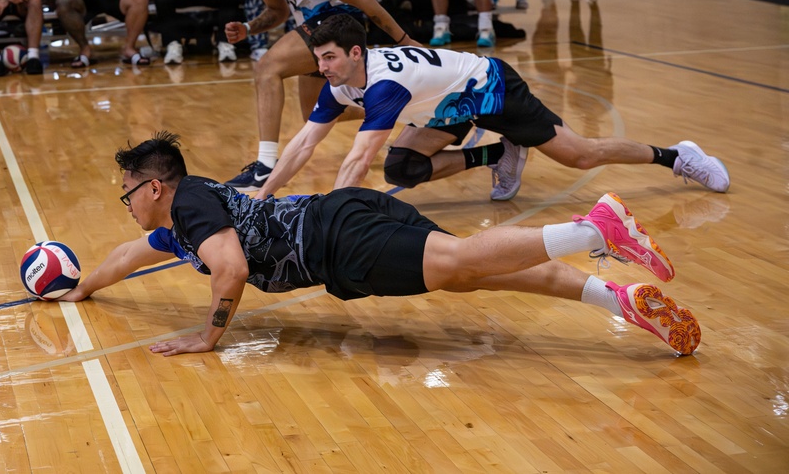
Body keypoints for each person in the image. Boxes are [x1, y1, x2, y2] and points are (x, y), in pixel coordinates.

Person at [56, 131, 703, 360]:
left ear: (155, 186)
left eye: (127, 191)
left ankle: (595, 230)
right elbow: (127, 256)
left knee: (462, 262)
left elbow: (230, 270)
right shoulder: (183, 219)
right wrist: (83, 287)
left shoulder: (191, 205)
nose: (126, 202)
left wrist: (207, 336)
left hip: (341, 242)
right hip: (345, 216)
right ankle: (619, 300)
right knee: (475, 269)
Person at [255, 14, 731, 204]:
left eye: (329, 58)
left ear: (356, 53)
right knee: (403, 168)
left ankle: (678, 156)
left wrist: (333, 214)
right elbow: (303, 145)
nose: (321, 67)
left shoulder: (384, 87)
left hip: (491, 90)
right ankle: (499, 154)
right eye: (319, 59)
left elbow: (358, 160)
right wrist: (263, 193)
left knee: (580, 155)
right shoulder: (339, 84)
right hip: (446, 107)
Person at [221, 0, 418, 191]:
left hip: (341, 21)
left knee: (267, 68)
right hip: (310, 26)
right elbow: (277, 11)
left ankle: (264, 167)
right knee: (316, 111)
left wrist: (404, 39)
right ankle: (404, 107)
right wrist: (249, 28)